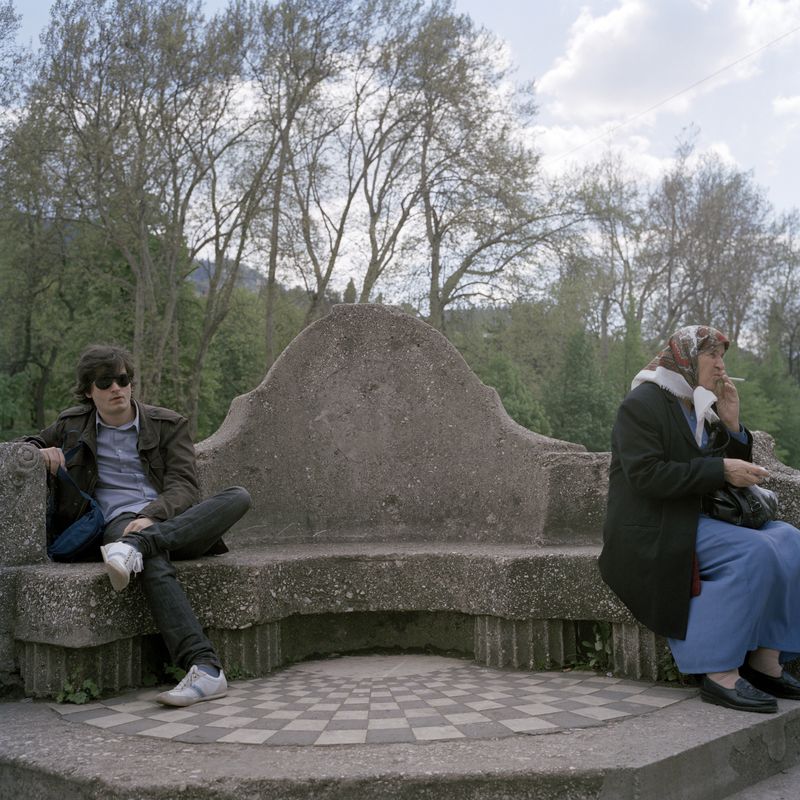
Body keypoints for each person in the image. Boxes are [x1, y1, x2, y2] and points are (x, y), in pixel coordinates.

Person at [26, 344, 251, 707]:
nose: (116, 387)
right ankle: (206, 669)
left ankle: (139, 546)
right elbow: (23, 446)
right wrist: (38, 452)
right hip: (117, 525)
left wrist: (153, 516)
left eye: (123, 379)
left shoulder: (167, 424)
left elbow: (184, 486)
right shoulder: (71, 426)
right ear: (88, 391)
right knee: (150, 557)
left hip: (170, 522)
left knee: (238, 496)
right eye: (105, 382)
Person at [599, 325, 800, 713]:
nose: (721, 366)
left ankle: (765, 661)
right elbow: (646, 476)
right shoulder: (642, 404)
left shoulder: (696, 404)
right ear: (686, 357)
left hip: (693, 515)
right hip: (654, 525)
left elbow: (725, 460)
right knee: (754, 551)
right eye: (713, 355)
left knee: (791, 540)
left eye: (723, 356)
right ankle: (717, 671)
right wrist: (720, 470)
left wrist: (731, 423)